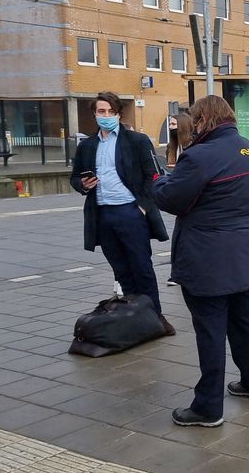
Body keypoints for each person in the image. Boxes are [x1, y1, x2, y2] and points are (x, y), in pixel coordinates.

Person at [154, 95, 249, 427]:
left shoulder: (199, 156)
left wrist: (157, 181)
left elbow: (172, 199)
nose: (191, 123)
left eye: (194, 118)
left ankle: (208, 408)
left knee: (211, 330)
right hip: (244, 254)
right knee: (246, 320)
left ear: (203, 119)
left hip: (207, 258)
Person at [70, 92, 173, 334]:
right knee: (121, 269)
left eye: (110, 112)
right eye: (101, 112)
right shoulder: (87, 145)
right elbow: (75, 177)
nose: (105, 116)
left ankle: (156, 318)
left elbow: (153, 176)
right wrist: (83, 185)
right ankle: (133, 317)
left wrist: (142, 206)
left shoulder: (136, 141)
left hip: (130, 211)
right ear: (95, 114)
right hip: (103, 213)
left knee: (142, 268)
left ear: (118, 114)